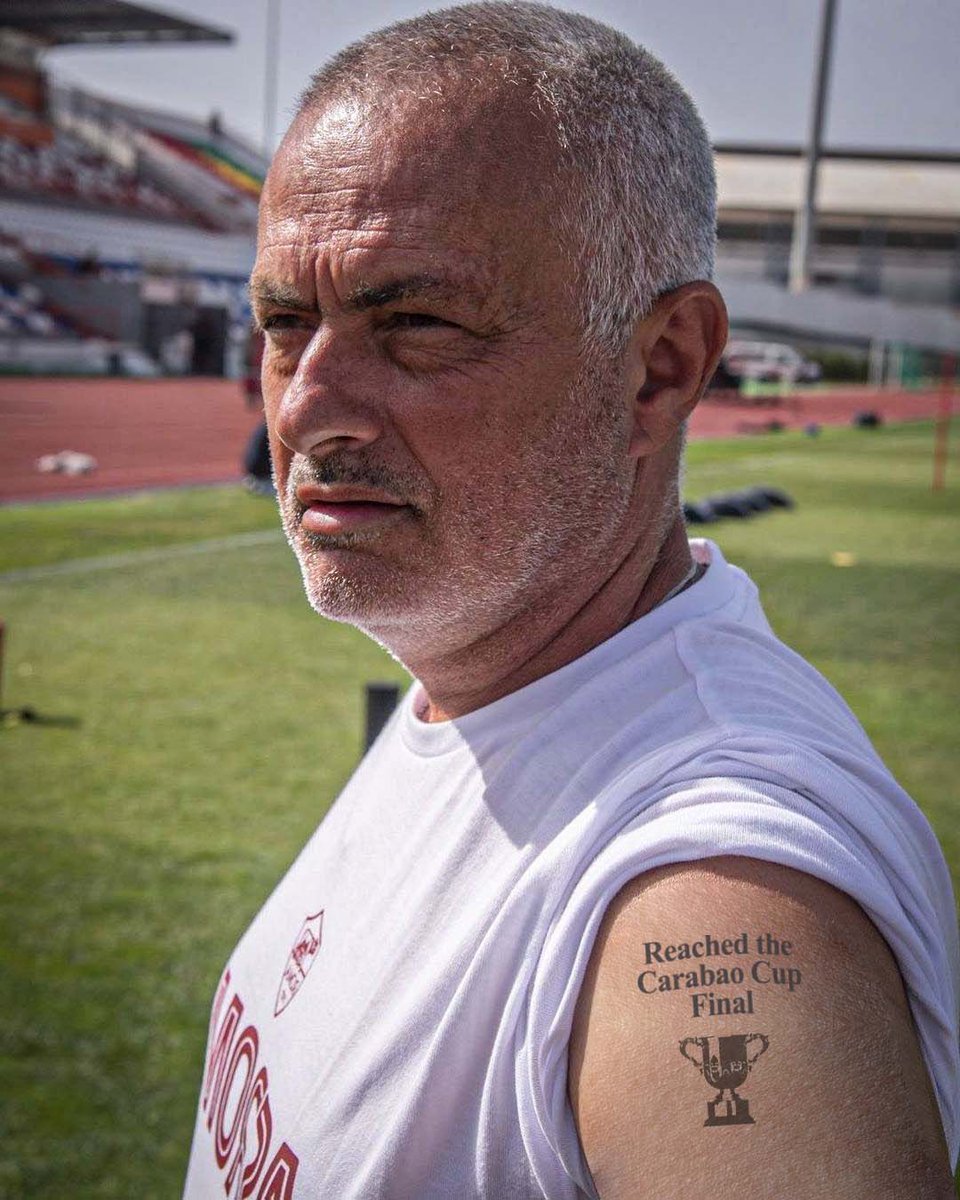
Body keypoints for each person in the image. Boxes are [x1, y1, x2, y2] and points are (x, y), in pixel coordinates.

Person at [183, 5, 959, 1198]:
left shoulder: (712, 883)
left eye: (417, 324)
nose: (301, 409)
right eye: (287, 324)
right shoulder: (489, 671)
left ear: (660, 367)